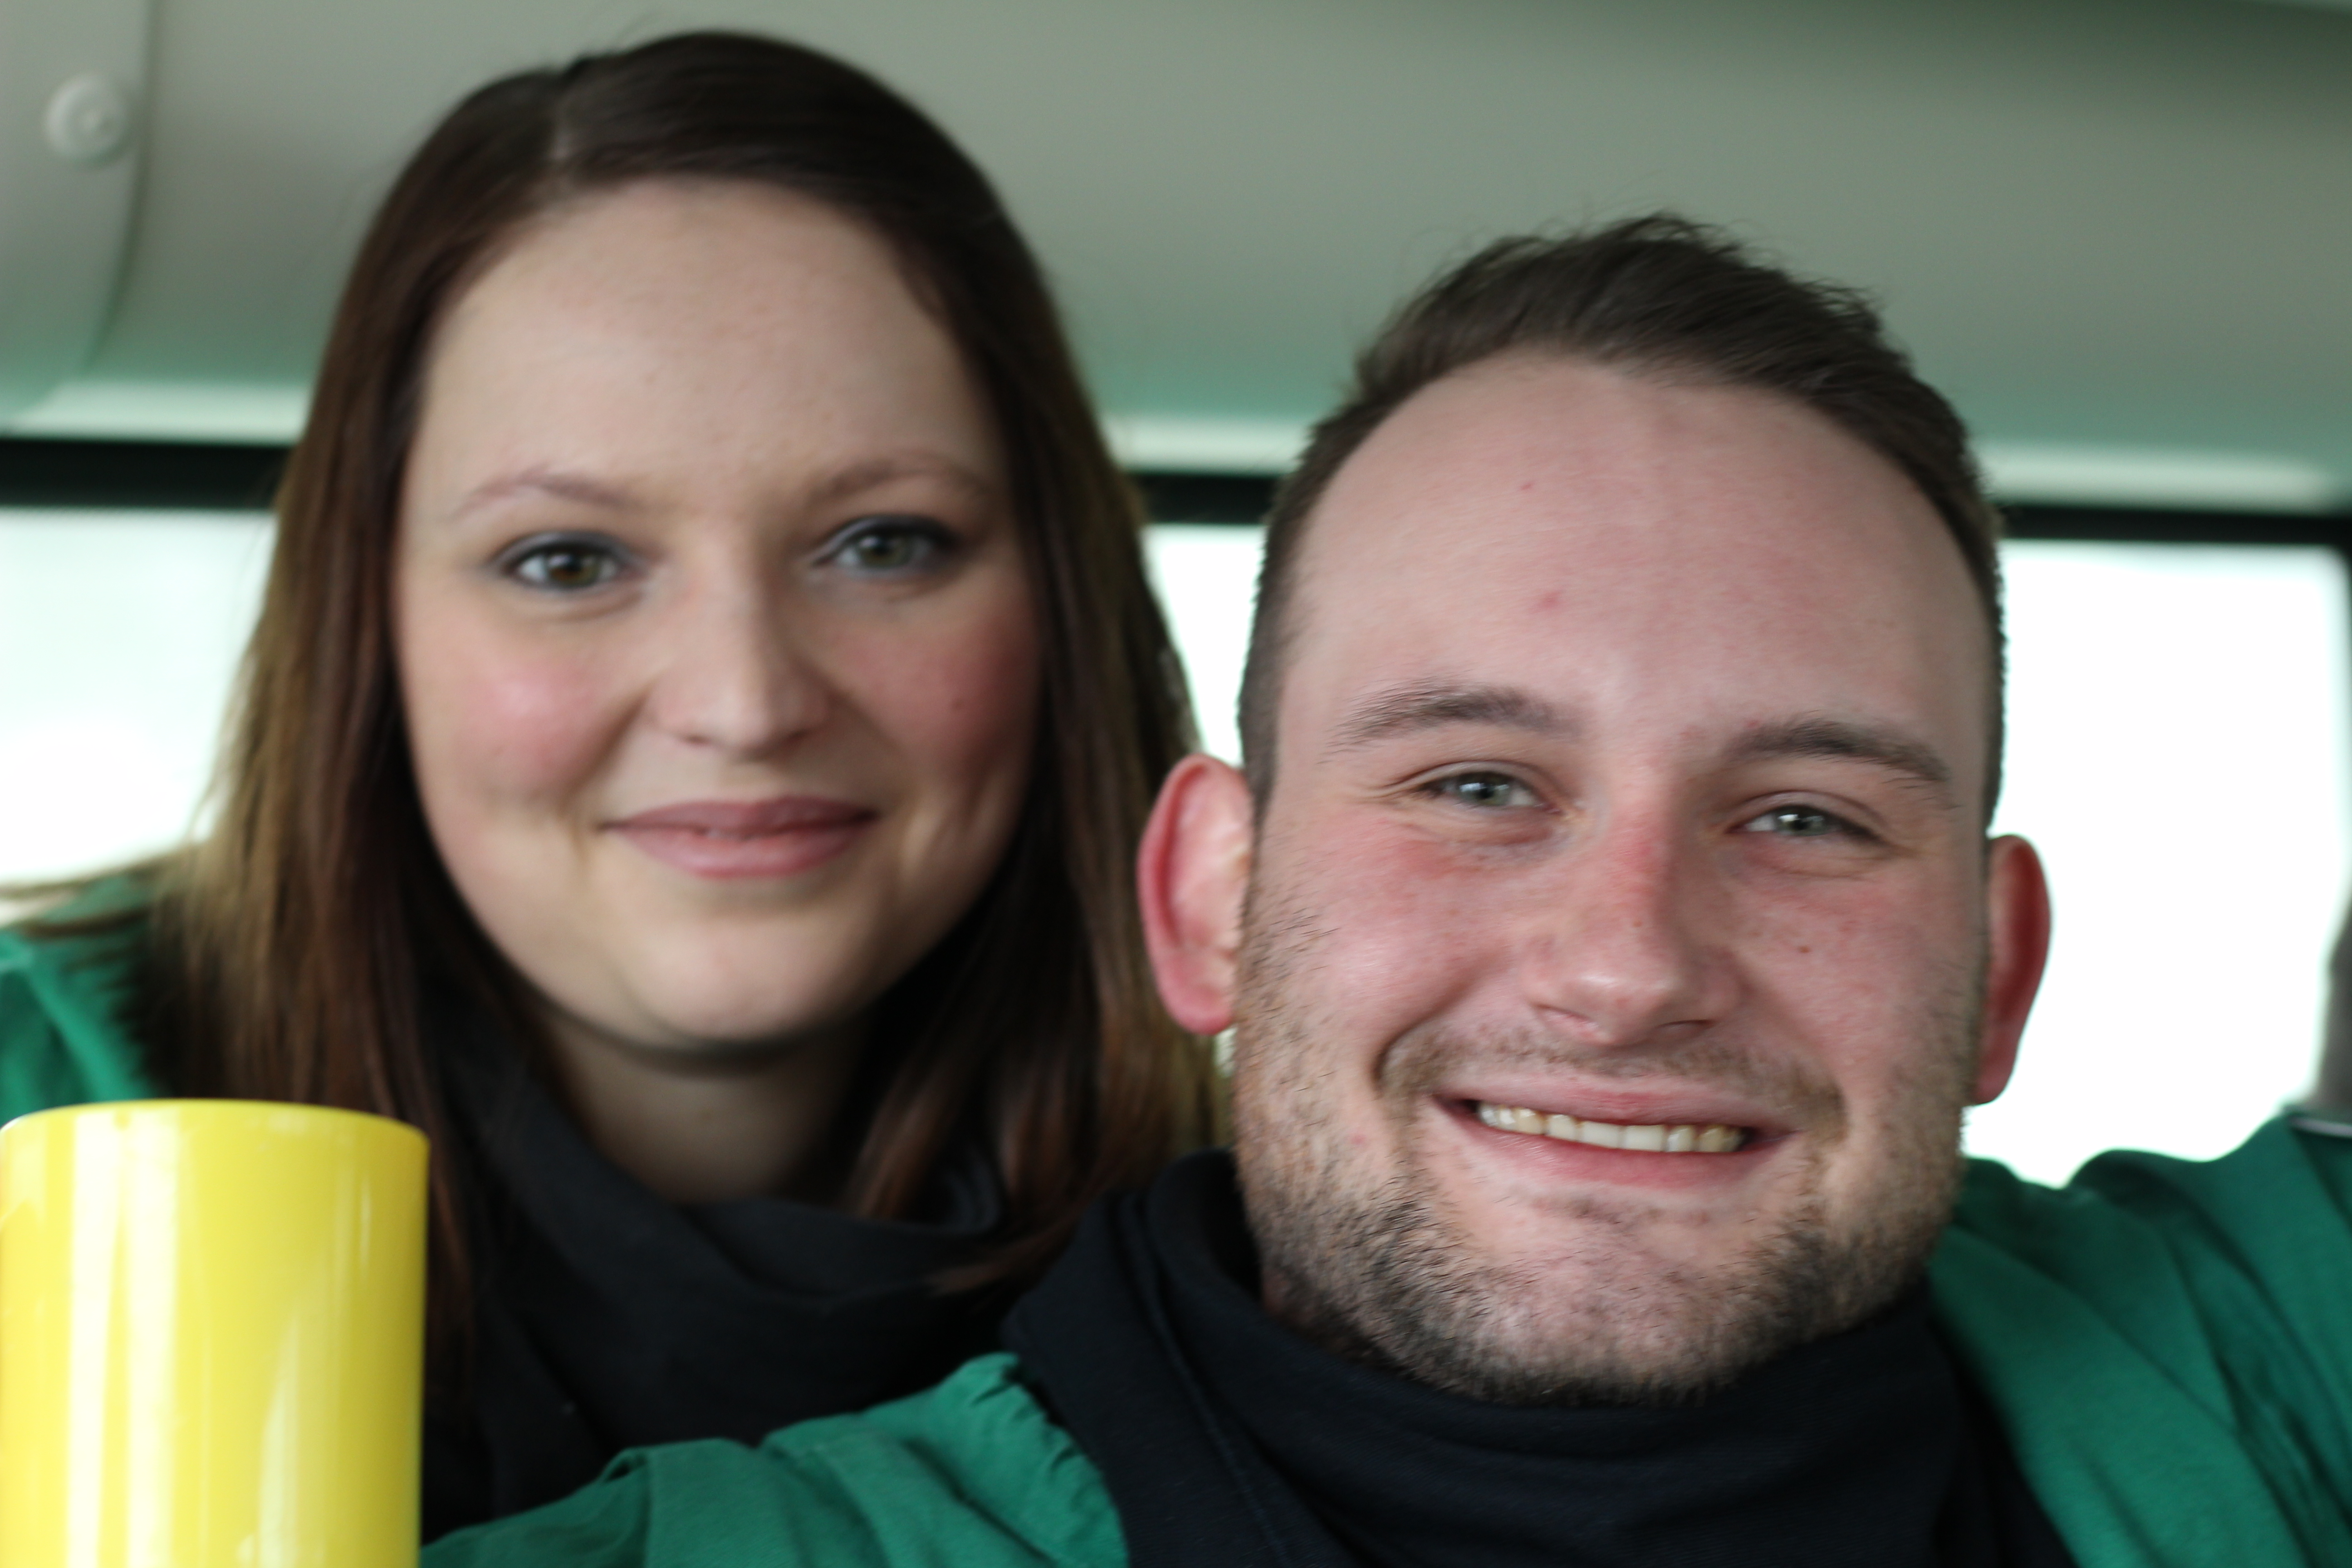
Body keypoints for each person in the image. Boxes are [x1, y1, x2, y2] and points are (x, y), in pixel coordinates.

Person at [433, 214, 2352, 1567]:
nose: (1628, 967)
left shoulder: (2277, 1349)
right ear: (1208, 901)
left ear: (2000, 972)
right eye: (1478, 786)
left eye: (1805, 819)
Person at [0, 31, 1214, 1539]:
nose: (744, 701)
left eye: (884, 544)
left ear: (1065, 609)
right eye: (568, 562)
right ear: (367, 627)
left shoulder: (1293, 1262)